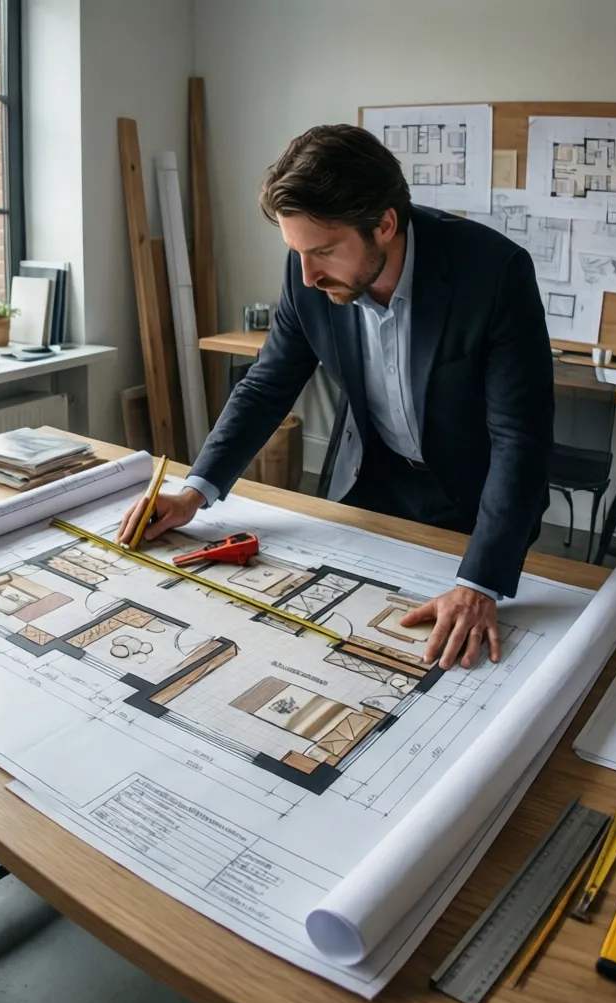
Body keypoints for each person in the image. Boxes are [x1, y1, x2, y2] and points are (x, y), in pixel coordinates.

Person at [118, 124, 554, 670]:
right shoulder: (308, 272)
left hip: (475, 494)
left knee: (457, 656)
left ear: (385, 224)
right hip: (375, 480)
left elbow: (521, 437)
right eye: (296, 251)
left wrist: (480, 582)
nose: (307, 274)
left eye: (323, 250)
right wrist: (194, 493)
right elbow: (266, 385)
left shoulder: (494, 273)